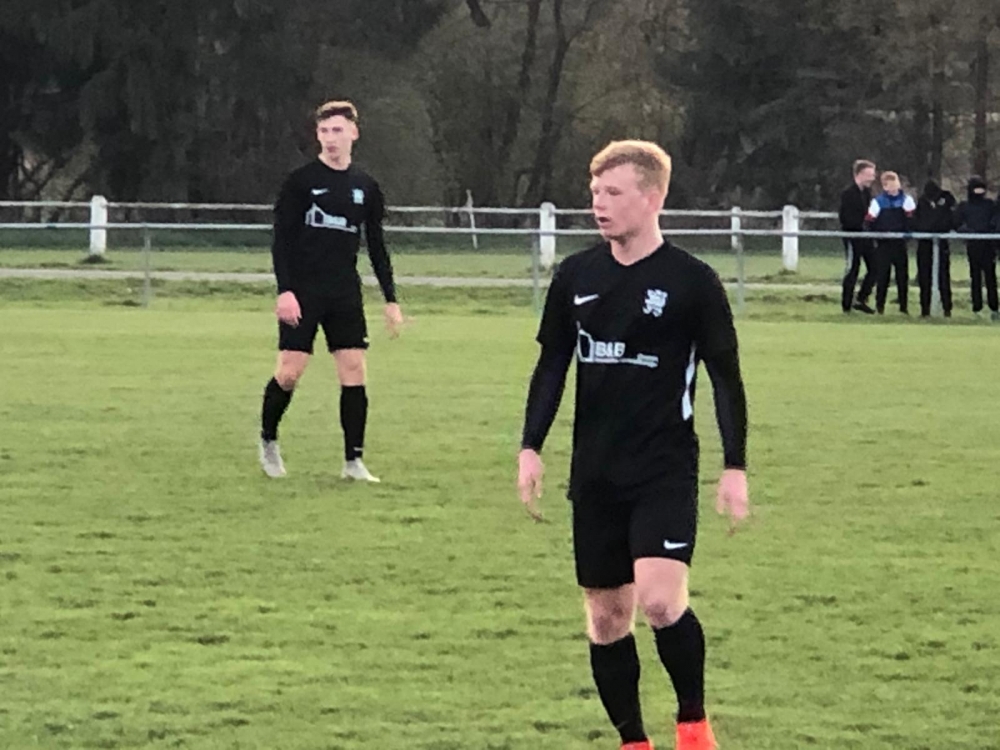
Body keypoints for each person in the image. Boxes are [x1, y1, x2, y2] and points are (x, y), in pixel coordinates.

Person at [516, 140, 749, 750]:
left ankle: (693, 725)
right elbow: (552, 365)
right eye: (595, 192)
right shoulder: (576, 276)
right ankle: (633, 741)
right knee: (605, 618)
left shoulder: (692, 282)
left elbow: (726, 377)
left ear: (652, 198)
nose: (599, 204)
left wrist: (734, 466)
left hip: (663, 469)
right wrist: (530, 446)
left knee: (661, 602)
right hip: (595, 472)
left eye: (613, 193)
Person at [257, 100, 404, 480]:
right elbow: (281, 241)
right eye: (323, 131)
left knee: (354, 369)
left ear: (354, 132)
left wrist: (390, 299)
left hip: (344, 291)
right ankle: (268, 439)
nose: (330, 138)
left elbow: (376, 245)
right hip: (303, 291)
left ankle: (353, 462)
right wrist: (285, 291)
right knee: (290, 372)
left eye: (337, 130)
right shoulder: (301, 182)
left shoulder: (365, 187)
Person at [865, 171, 915, 315]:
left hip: (899, 244)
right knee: (882, 277)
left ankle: (903, 307)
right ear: (884, 186)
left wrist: (906, 234)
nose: (893, 187)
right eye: (890, 185)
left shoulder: (906, 200)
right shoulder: (877, 202)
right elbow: (870, 221)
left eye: (895, 184)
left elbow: (912, 220)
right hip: (884, 245)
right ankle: (880, 306)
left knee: (902, 277)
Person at [954, 176, 999, 320]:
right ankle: (977, 307)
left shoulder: (990, 205)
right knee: (975, 277)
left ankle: (994, 307)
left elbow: (995, 221)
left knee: (990, 278)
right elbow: (957, 223)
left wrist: (991, 232)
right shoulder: (964, 206)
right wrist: (967, 232)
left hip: (988, 246)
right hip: (973, 246)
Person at [839, 159, 878, 314]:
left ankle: (861, 298)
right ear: (859, 174)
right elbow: (845, 217)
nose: (872, 178)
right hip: (853, 237)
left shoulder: (867, 194)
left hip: (865, 237)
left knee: (875, 267)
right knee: (853, 269)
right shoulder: (848, 194)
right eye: (870, 175)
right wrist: (860, 225)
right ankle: (847, 304)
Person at [913, 180, 956, 317]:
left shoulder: (946, 199)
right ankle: (925, 310)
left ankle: (946, 309)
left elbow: (950, 218)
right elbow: (917, 221)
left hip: (941, 243)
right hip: (924, 244)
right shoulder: (922, 202)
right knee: (924, 277)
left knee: (943, 276)